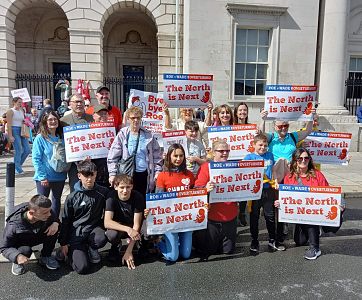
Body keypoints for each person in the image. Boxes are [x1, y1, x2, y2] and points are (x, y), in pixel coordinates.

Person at [275, 148, 332, 260]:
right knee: (299, 241)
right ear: (295, 160)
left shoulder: (318, 175)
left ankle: (315, 248)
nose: (303, 160)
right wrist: (280, 202)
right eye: (300, 158)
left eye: (306, 158)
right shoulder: (289, 177)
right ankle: (313, 231)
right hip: (300, 215)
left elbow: (328, 194)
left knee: (311, 220)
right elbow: (287, 198)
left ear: (309, 160)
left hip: (315, 213)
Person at [58, 160, 108, 274]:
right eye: (86, 175)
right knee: (82, 268)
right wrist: (63, 243)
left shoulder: (103, 192)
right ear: (79, 175)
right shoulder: (72, 197)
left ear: (96, 174)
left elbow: (115, 206)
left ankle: (92, 247)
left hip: (93, 230)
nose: (89, 179)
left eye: (92, 175)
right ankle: (68, 253)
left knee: (101, 239)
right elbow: (65, 220)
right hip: (76, 233)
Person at [193, 140, 239, 257]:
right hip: (212, 218)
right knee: (209, 251)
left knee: (227, 251)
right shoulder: (205, 167)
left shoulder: (234, 167)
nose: (225, 153)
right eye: (221, 151)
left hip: (230, 216)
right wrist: (205, 188)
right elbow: (196, 189)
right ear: (213, 152)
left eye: (227, 151)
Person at [152, 143, 195, 263]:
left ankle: (177, 242)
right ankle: (158, 243)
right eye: (175, 156)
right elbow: (158, 200)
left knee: (186, 254)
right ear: (169, 157)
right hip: (170, 220)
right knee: (172, 257)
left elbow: (196, 197)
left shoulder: (190, 175)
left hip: (186, 218)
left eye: (181, 156)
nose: (178, 159)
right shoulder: (162, 176)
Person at [107, 106, 162, 197]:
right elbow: (113, 157)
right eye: (133, 118)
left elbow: (157, 157)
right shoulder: (122, 134)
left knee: (142, 202)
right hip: (126, 175)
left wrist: (157, 173)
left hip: (144, 175)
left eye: (138, 118)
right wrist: (112, 174)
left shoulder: (148, 136)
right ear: (128, 119)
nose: (135, 120)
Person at [244, 133, 285, 253]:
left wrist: (276, 181)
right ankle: (254, 240)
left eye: (265, 145)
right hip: (254, 191)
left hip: (268, 190)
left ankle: (272, 239)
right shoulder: (249, 157)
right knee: (254, 216)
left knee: (270, 216)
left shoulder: (270, 155)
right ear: (254, 145)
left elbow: (273, 171)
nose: (263, 147)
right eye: (260, 145)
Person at [0, 195, 60, 275]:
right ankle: (18, 261)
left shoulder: (45, 211)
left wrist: (56, 223)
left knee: (53, 229)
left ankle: (46, 256)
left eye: (50, 211)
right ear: (31, 213)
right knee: (25, 250)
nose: (49, 214)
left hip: (37, 235)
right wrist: (17, 256)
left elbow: (54, 218)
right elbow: (4, 247)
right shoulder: (14, 225)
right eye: (46, 213)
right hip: (21, 243)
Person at [104, 174, 144, 269]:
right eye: (122, 187)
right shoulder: (111, 197)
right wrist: (128, 229)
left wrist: (128, 251)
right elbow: (107, 222)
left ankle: (139, 243)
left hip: (133, 224)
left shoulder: (138, 196)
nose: (125, 191)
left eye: (128, 187)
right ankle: (116, 245)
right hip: (120, 226)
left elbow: (137, 225)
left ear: (132, 186)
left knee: (145, 229)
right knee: (111, 234)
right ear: (115, 187)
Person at [32, 111, 67, 217]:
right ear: (45, 122)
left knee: (56, 201)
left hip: (59, 176)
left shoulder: (63, 137)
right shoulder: (40, 138)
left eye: (55, 119)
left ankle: (55, 223)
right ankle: (41, 224)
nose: (53, 121)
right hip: (45, 177)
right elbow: (36, 159)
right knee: (42, 203)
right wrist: (42, 177)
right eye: (50, 120)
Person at [60, 94, 94, 192]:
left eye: (81, 102)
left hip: (90, 160)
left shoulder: (92, 119)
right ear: (70, 104)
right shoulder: (63, 121)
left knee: (89, 187)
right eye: (76, 102)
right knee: (75, 187)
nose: (79, 104)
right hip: (73, 163)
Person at [233, 102, 250, 226]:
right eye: (240, 110)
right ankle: (233, 214)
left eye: (244, 110)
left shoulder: (251, 127)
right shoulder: (231, 126)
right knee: (233, 190)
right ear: (236, 112)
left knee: (244, 190)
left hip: (246, 163)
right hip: (232, 162)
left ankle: (242, 213)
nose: (242, 112)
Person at [6, 97, 31, 175]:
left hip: (22, 130)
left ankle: (17, 165)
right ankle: (18, 169)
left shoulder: (22, 110)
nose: (20, 104)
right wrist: (10, 136)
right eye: (19, 102)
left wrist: (26, 122)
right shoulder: (10, 111)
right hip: (14, 130)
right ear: (14, 102)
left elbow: (23, 120)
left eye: (21, 102)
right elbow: (9, 124)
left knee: (27, 150)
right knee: (18, 149)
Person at [91, 104, 111, 188]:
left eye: (105, 113)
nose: (103, 116)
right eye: (100, 113)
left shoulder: (113, 131)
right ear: (94, 115)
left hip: (110, 174)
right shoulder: (87, 131)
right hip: (95, 175)